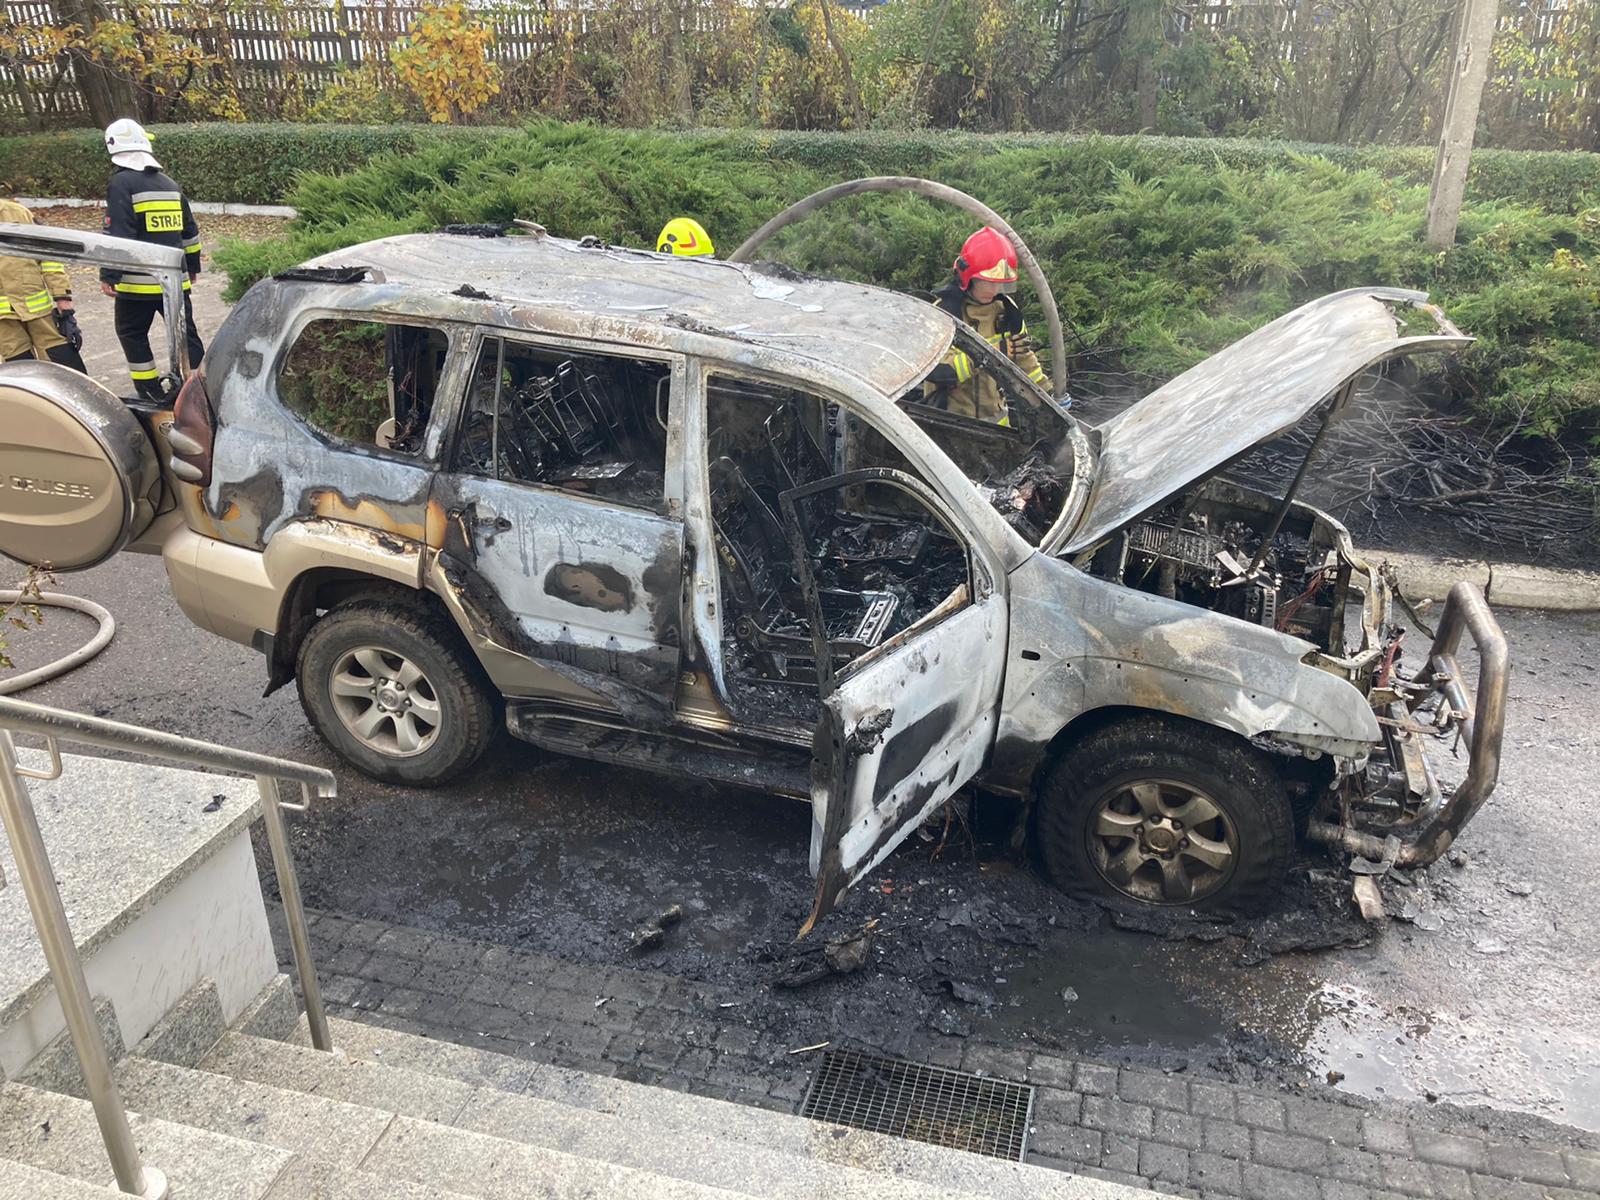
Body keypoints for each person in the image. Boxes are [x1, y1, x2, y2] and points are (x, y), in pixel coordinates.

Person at [99, 118, 205, 400]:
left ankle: (149, 391)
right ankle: (199, 389)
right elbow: (190, 232)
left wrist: (109, 274)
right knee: (186, 335)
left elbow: (119, 234)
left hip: (138, 285)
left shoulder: (121, 184)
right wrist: (192, 266)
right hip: (175, 281)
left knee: (131, 332)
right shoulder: (170, 185)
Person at [925, 226, 1051, 424]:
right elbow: (938, 371)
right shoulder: (944, 313)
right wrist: (991, 354)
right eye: (989, 282)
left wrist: (1048, 396)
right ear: (969, 277)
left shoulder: (1007, 311)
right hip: (950, 425)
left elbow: (1024, 359)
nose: (995, 289)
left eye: (1000, 283)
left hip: (997, 424)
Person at [0, 197, 87, 372]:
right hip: (4, 321)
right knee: (21, 370)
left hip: (38, 311)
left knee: (64, 364)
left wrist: (62, 296)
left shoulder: (17, 213)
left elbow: (48, 256)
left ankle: (77, 390)